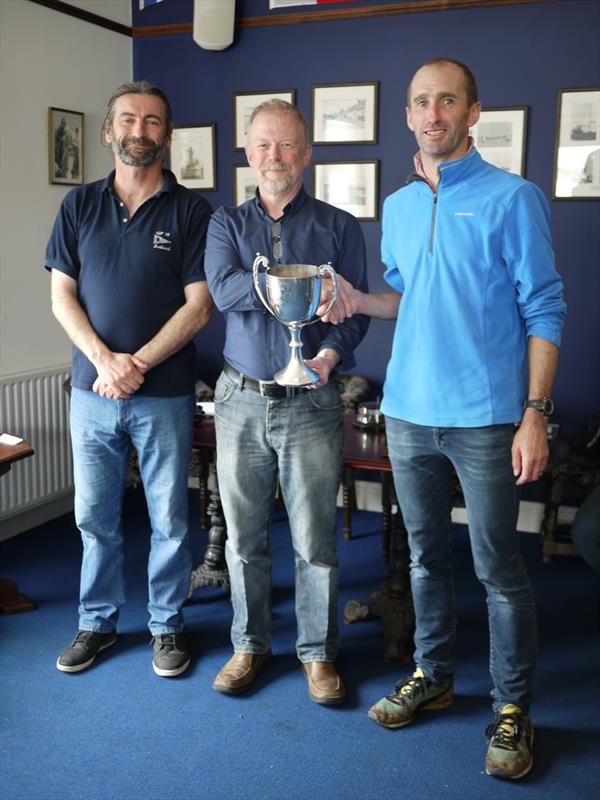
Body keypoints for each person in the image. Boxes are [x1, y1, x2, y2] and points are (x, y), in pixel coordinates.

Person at [321, 59, 566, 777]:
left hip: (487, 419)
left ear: (472, 111)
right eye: (421, 102)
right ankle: (434, 675)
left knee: (498, 570)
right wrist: (359, 301)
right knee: (425, 560)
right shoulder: (397, 207)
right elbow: (411, 294)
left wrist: (535, 414)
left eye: (447, 100)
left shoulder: (512, 198)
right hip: (406, 414)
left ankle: (513, 709)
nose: (434, 113)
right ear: (408, 115)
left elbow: (545, 307)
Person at [204, 99, 369, 704]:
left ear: (306, 152)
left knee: (314, 540)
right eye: (264, 146)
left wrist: (327, 356)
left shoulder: (339, 226)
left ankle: (319, 655)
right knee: (245, 536)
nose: (276, 157)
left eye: (288, 145)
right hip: (241, 397)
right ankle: (249, 645)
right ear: (250, 155)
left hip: (313, 401)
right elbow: (222, 293)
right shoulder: (225, 224)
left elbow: (352, 314)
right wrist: (287, 279)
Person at [45, 81, 212, 678]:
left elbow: (199, 306)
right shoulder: (79, 206)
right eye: (129, 120)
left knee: (168, 518)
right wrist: (104, 361)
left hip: (163, 394)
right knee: (95, 517)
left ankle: (167, 626)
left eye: (152, 121)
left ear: (166, 134)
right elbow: (62, 296)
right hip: (91, 394)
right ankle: (98, 622)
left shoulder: (193, 211)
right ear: (108, 130)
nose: (139, 130)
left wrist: (134, 364)